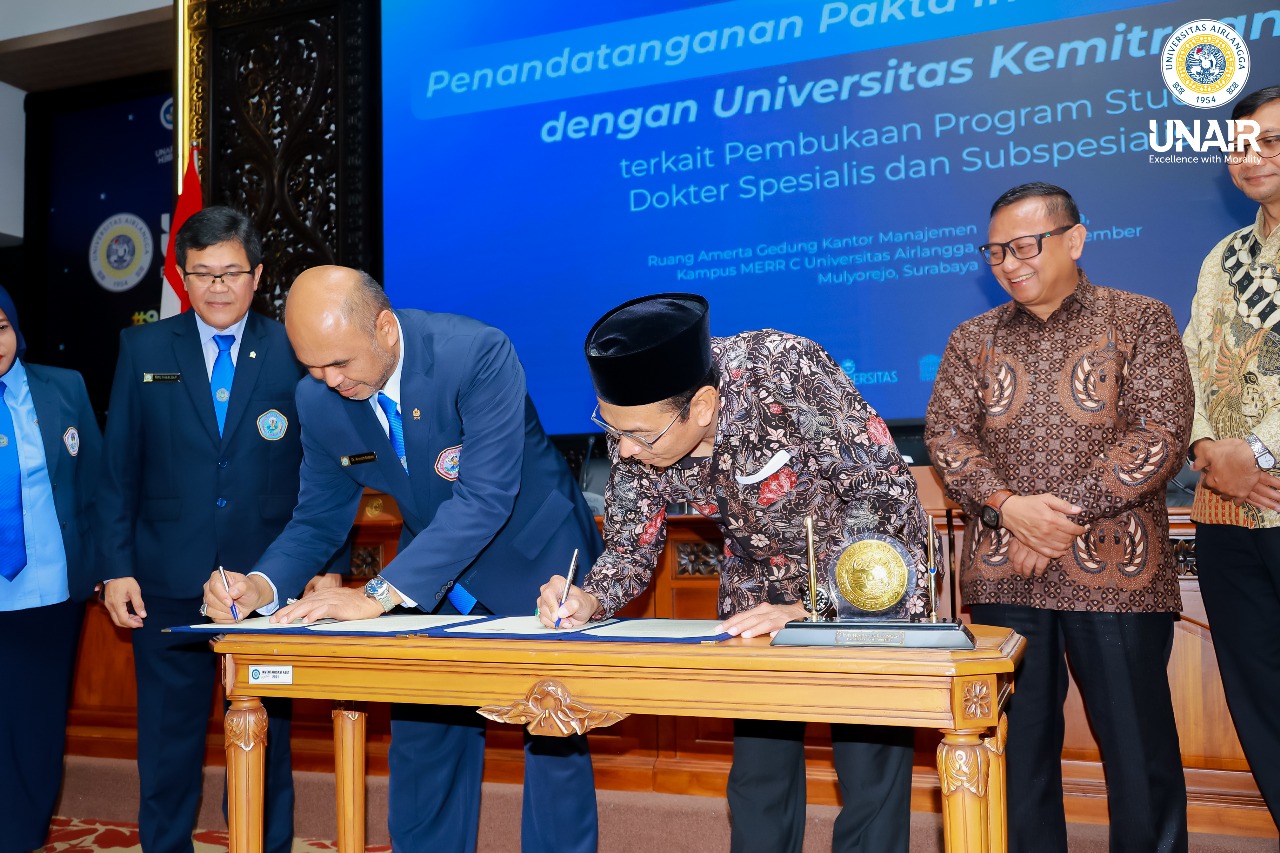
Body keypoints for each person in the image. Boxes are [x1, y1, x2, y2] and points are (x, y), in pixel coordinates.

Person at [202, 265, 603, 853]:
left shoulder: (477, 353)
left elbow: (485, 499)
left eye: (339, 362)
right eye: (312, 367)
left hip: (534, 558)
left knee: (553, 734)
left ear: (386, 328)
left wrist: (376, 595)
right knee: (422, 737)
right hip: (433, 569)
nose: (329, 380)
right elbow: (317, 519)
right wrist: (260, 587)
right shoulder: (319, 398)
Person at [541, 293, 932, 853]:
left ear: (702, 406)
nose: (623, 451)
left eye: (640, 437)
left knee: (868, 767)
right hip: (757, 593)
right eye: (612, 429)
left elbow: (883, 494)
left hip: (864, 579)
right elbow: (631, 545)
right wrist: (590, 599)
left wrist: (816, 607)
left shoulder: (785, 369)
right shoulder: (637, 421)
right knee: (757, 777)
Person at [925, 182, 1192, 853]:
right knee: (1017, 753)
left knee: (1137, 749)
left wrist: (1053, 522)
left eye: (1023, 247)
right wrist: (1011, 509)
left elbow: (1159, 435)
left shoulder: (1141, 319)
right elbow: (947, 439)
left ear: (1074, 239)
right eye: (995, 253)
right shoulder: (971, 338)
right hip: (1003, 572)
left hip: (1118, 572)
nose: (1008, 264)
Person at [96, 207, 342, 853]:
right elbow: (118, 468)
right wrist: (116, 567)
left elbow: (326, 473)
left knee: (266, 740)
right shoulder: (144, 348)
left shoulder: (293, 349)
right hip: (164, 579)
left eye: (231, 272)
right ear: (182, 277)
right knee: (166, 741)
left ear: (257, 275)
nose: (217, 286)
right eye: (202, 273)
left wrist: (326, 566)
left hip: (269, 581)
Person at [1183, 85, 1280, 828]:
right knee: (1260, 695)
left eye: (1270, 141)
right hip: (1224, 512)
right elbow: (1190, 360)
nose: (1252, 159)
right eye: (1241, 146)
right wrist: (1206, 449)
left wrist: (1260, 449)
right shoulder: (1225, 256)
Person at [0, 285, 101, 853]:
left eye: (0, 327)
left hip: (49, 594)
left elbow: (96, 482)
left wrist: (109, 567)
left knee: (38, 726)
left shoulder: (64, 387)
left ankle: (23, 836)